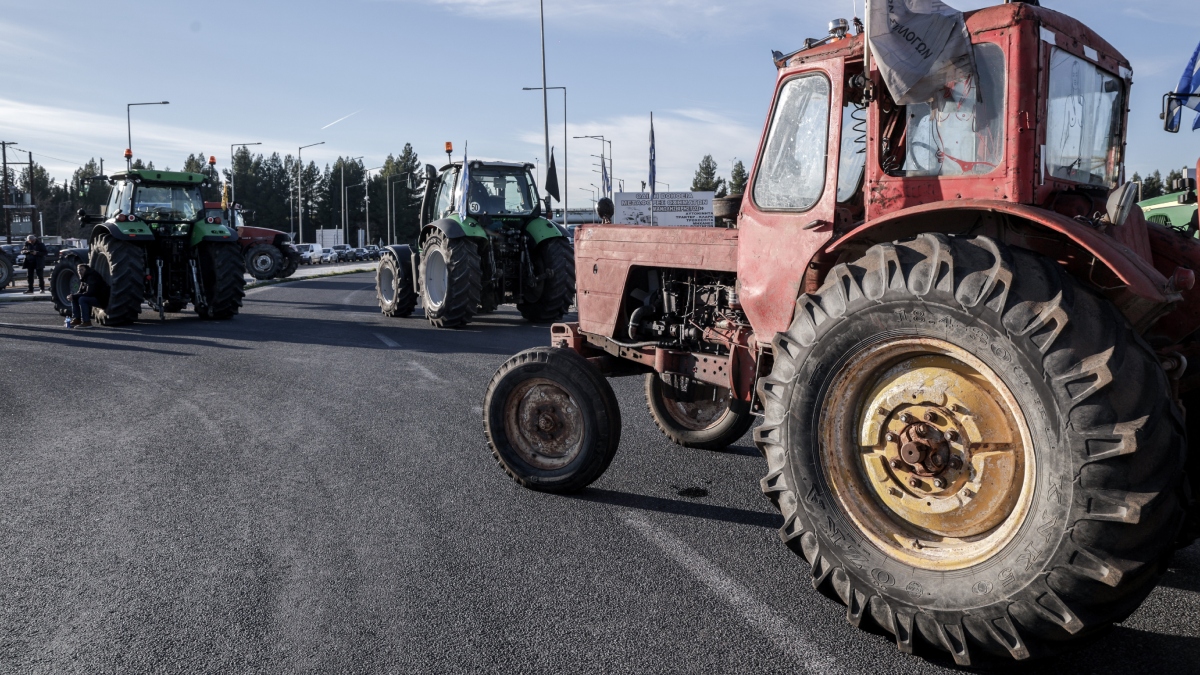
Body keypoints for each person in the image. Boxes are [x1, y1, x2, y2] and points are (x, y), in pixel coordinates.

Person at [66, 264, 106, 329]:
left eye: (82, 270)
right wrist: (72, 296)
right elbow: (80, 292)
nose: (80, 272)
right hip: (94, 297)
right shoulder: (84, 278)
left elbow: (90, 293)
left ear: (86, 270)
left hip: (101, 299)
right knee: (75, 298)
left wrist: (75, 296)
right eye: (79, 270)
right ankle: (77, 319)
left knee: (82, 299)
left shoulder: (92, 277)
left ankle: (87, 322)